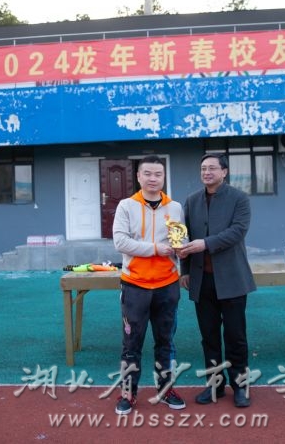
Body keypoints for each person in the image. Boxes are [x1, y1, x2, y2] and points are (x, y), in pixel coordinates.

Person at [178, 153, 256, 408]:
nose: (207, 172)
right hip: (202, 280)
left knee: (236, 337)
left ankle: (240, 386)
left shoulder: (239, 199)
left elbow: (237, 232)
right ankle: (215, 386)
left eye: (212, 168)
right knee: (209, 338)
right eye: (203, 168)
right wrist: (185, 270)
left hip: (232, 279)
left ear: (224, 172)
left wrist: (206, 244)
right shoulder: (192, 201)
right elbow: (185, 237)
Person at [112, 155, 186, 415]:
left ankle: (165, 390)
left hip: (167, 284)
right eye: (148, 174)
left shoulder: (174, 207)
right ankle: (128, 393)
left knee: (165, 341)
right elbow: (120, 242)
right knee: (131, 344)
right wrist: (156, 248)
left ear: (164, 177)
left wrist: (181, 247)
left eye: (158, 174)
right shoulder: (126, 206)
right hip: (135, 285)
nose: (153, 178)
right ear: (138, 176)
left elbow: (179, 239)